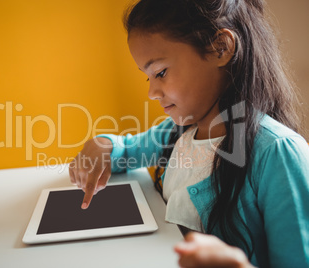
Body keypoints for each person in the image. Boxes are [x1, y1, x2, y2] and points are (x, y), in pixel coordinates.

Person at [69, 0, 309, 267]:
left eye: (160, 72)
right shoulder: (178, 131)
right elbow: (126, 149)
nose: (151, 93)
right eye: (148, 77)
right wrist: (103, 144)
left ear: (221, 48)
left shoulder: (278, 153)